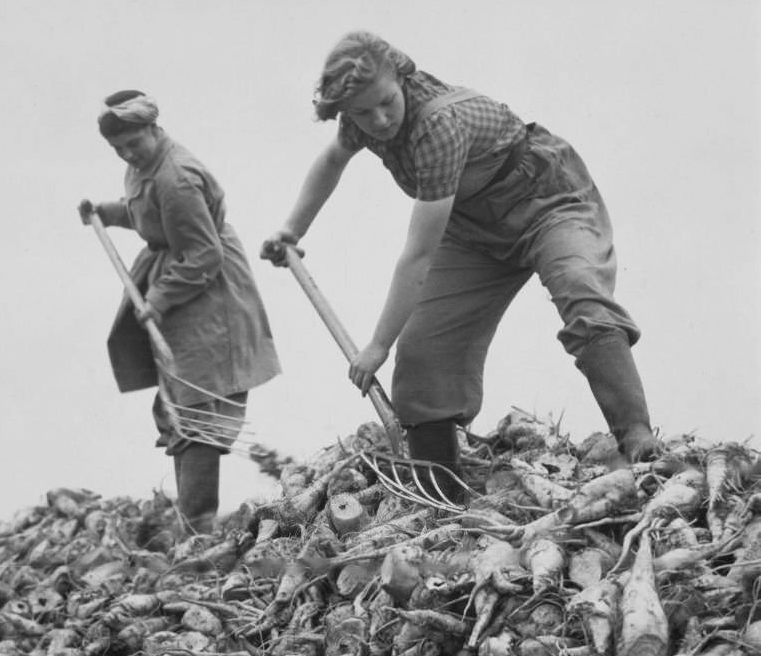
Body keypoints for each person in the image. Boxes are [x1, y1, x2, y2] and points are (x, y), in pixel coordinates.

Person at [262, 31, 660, 499]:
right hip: (474, 228)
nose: (381, 119)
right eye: (364, 113)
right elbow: (331, 161)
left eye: (387, 103)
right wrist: (292, 230)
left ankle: (639, 442)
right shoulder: (361, 119)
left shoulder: (438, 127)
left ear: (400, 77)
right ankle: (440, 495)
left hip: (548, 200)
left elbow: (419, 254)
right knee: (423, 352)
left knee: (578, 287)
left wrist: (376, 344)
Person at [80, 90, 281, 533]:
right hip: (179, 279)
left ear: (153, 128)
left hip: (208, 293)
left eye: (134, 143)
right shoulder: (142, 167)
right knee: (180, 399)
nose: (128, 153)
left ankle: (200, 524)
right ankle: (194, 521)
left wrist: (158, 299)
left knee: (199, 402)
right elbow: (150, 215)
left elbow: (204, 256)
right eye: (119, 149)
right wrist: (109, 213)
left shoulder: (177, 177)